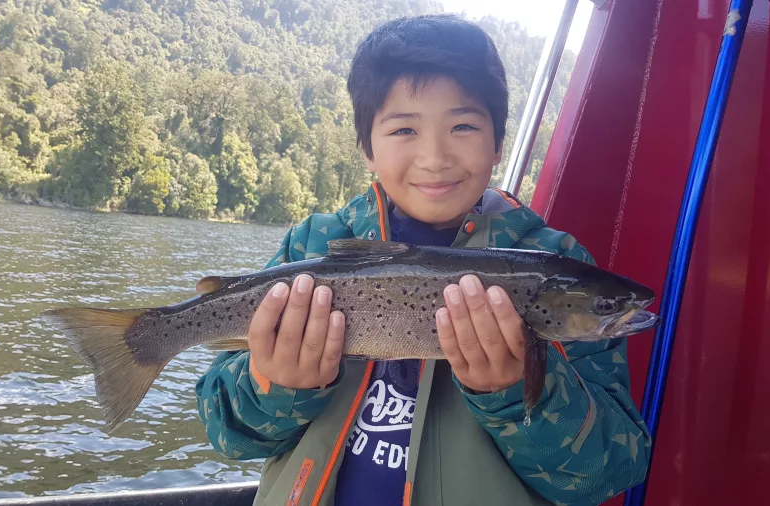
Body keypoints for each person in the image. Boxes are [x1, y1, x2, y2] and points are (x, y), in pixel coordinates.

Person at [195, 14, 651, 506]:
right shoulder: (313, 247)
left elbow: (608, 472)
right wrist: (276, 383)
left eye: (462, 125)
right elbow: (229, 435)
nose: (435, 156)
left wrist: (515, 391)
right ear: (366, 147)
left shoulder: (556, 260)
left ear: (498, 141)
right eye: (404, 129)